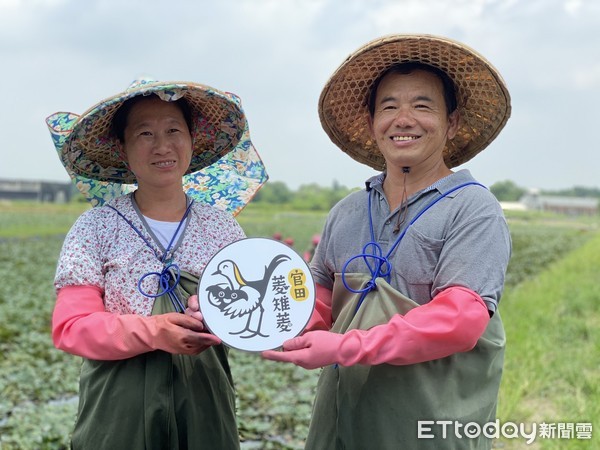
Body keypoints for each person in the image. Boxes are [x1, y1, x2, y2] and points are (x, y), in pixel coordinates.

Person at [263, 34, 512, 449]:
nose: (404, 118)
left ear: (451, 123)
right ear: (371, 122)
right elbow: (315, 302)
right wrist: (236, 318)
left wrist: (346, 346)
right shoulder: (348, 211)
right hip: (343, 425)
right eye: (389, 106)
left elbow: (460, 321)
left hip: (428, 430)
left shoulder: (473, 209)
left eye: (422, 105)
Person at [46, 79, 267, 449]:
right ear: (122, 148)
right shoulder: (95, 227)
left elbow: (249, 316)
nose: (162, 146)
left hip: (204, 402)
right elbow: (71, 327)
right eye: (145, 133)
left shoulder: (222, 228)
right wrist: (153, 332)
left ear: (192, 141)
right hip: (118, 408)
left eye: (173, 131)